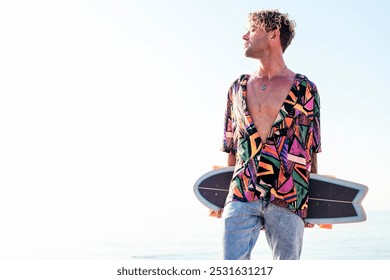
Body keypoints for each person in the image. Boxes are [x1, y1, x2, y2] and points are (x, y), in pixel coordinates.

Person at [215, 9, 321, 260]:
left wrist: (311, 205)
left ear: (273, 34)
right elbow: (231, 146)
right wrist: (221, 196)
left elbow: (310, 149)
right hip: (242, 191)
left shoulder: (305, 88)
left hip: (288, 193)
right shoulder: (237, 88)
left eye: (252, 30)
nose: (244, 36)